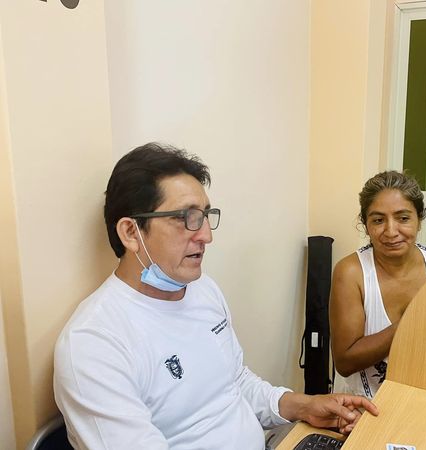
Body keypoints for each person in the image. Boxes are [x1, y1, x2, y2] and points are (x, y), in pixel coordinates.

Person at [53, 143, 378, 450]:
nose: (206, 235)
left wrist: (304, 405)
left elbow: (234, 382)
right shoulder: (94, 343)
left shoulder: (202, 289)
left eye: (206, 216)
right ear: (130, 232)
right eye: (186, 218)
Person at [329, 171, 426, 398]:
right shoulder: (351, 272)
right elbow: (344, 362)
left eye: (403, 218)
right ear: (366, 225)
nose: (391, 232)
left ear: (419, 220)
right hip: (360, 406)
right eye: (378, 220)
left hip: (419, 398)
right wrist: (409, 323)